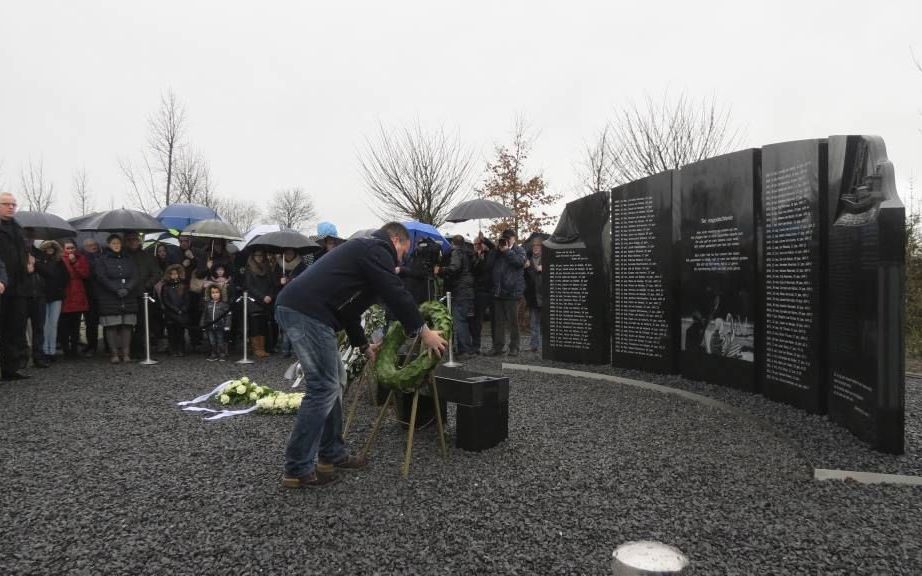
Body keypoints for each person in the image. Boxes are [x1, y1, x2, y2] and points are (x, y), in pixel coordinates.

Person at [275, 222, 447, 488]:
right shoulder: (374, 248)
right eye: (403, 250)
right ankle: (296, 468)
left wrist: (364, 346)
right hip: (306, 312)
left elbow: (349, 311)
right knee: (323, 387)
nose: (402, 258)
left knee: (335, 383)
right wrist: (423, 331)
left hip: (312, 312)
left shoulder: (366, 258)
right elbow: (395, 292)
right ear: (395, 239)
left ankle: (331, 453)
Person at [94, 234, 139, 364]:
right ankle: (114, 353)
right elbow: (101, 277)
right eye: (113, 243)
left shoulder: (129, 259)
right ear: (109, 244)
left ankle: (126, 353)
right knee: (111, 325)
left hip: (128, 296)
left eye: (118, 243)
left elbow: (135, 275)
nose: (116, 245)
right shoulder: (102, 260)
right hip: (110, 297)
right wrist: (116, 289)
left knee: (127, 325)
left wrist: (128, 288)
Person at [0, 192, 30, 380]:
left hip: (18, 285)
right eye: (6, 204)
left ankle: (11, 368)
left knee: (15, 327)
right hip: (2, 283)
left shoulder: (18, 227)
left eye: (14, 204)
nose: (11, 207)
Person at [487, 229, 526, 356]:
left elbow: (519, 262)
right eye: (504, 238)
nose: (506, 240)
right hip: (498, 291)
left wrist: (508, 251)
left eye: (509, 238)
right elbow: (489, 264)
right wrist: (496, 250)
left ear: (514, 238)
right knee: (498, 322)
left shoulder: (519, 250)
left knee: (513, 322)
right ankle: (498, 347)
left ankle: (514, 347)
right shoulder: (498, 252)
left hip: (512, 293)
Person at [436, 235, 475, 356]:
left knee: (459, 321)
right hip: (467, 290)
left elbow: (454, 268)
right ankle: (464, 348)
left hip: (460, 290)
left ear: (453, 243)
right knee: (462, 320)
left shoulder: (457, 252)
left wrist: (441, 270)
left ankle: (465, 350)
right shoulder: (468, 253)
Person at [125, 232, 163, 358]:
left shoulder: (147, 256)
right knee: (128, 324)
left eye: (134, 239)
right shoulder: (123, 256)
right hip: (127, 295)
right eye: (129, 240)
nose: (132, 242)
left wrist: (148, 284)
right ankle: (126, 349)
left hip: (144, 294)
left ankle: (140, 349)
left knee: (143, 324)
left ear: (139, 241)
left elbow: (157, 273)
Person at [35, 240, 68, 362]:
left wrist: (60, 288)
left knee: (53, 324)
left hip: (56, 296)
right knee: (44, 325)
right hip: (42, 295)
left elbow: (66, 277)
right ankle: (44, 350)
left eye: (52, 247)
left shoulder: (59, 262)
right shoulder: (38, 262)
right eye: (47, 247)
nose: (50, 249)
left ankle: (51, 350)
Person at [58, 239, 91, 358]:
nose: (70, 250)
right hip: (65, 293)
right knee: (63, 325)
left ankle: (74, 349)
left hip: (78, 293)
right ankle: (66, 349)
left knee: (75, 325)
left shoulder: (80, 258)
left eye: (72, 248)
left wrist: (74, 262)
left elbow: (85, 274)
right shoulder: (60, 259)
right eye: (68, 248)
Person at [244, 249, 276, 358]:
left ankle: (263, 347)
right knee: (255, 325)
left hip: (267, 300)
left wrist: (270, 296)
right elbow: (250, 286)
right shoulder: (249, 270)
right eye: (257, 255)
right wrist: (262, 297)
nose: (259, 257)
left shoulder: (268, 269)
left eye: (261, 255)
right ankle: (256, 348)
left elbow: (272, 284)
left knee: (264, 325)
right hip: (254, 301)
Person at [277, 249, 306, 357]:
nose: (288, 255)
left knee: (296, 324)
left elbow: (306, 279)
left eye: (290, 253)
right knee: (284, 325)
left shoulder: (301, 266)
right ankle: (285, 349)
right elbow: (273, 281)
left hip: (296, 298)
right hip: (283, 298)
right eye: (286, 253)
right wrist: (279, 282)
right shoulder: (279, 266)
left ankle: (295, 350)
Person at [470, 233, 494, 354]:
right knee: (476, 320)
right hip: (478, 292)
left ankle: (495, 346)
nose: (477, 246)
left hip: (490, 291)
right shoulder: (472, 256)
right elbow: (473, 271)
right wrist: (478, 259)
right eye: (475, 244)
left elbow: (494, 247)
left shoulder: (490, 254)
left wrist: (484, 240)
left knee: (494, 319)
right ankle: (476, 345)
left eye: (478, 244)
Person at [160, 264, 190, 357]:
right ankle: (172, 349)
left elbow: (187, 299)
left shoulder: (183, 285)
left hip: (182, 313)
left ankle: (181, 349)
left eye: (175, 274)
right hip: (171, 313)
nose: (174, 275)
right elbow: (165, 300)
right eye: (172, 274)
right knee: (171, 333)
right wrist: (176, 310)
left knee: (181, 332)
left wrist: (183, 309)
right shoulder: (165, 286)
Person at [80, 238, 102, 356]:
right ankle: (92, 345)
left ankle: (108, 347)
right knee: (90, 323)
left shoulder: (103, 256)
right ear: (84, 247)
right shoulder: (83, 259)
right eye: (89, 245)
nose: (92, 247)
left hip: (103, 293)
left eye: (94, 244)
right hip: (88, 294)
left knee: (106, 321)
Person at [523, 237, 544, 353]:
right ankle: (534, 346)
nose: (535, 248)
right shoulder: (528, 261)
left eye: (538, 246)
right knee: (533, 323)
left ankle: (548, 347)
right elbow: (525, 279)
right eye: (534, 246)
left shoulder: (549, 259)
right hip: (533, 297)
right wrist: (525, 268)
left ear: (542, 248)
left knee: (548, 324)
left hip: (545, 296)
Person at [201, 284, 231, 361]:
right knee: (212, 342)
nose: (215, 294)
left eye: (217, 292)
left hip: (220, 326)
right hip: (210, 326)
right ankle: (214, 354)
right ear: (210, 294)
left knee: (220, 341)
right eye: (213, 293)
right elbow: (204, 315)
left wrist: (227, 325)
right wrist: (202, 325)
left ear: (220, 293)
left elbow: (228, 315)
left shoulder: (224, 304)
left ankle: (222, 354)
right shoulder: (208, 304)